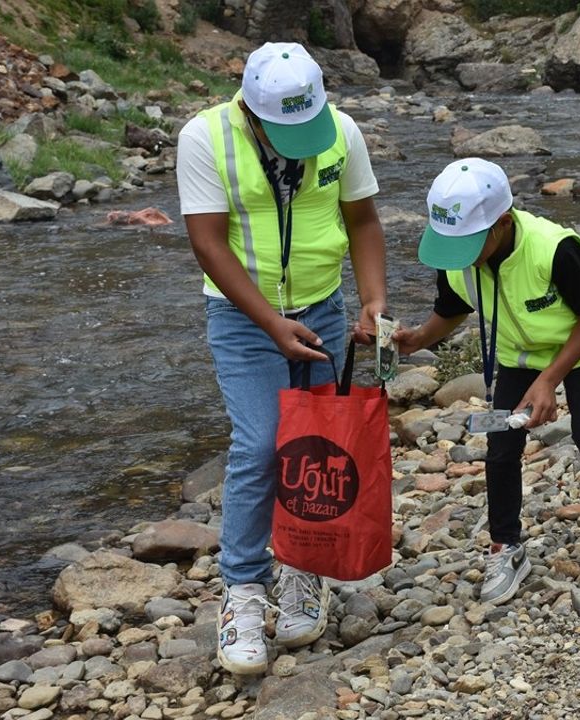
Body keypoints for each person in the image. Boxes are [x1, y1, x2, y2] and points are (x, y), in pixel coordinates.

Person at [176, 41, 386, 674]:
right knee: (262, 443)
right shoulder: (204, 136)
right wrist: (271, 324)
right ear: (251, 110)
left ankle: (303, 567)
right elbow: (208, 244)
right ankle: (241, 590)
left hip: (322, 306)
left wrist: (372, 300)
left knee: (318, 445)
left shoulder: (341, 132)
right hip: (243, 317)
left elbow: (364, 221)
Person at [392, 158, 580, 605]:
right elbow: (451, 309)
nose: (456, 252)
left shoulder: (554, 248)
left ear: (502, 223)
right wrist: (416, 339)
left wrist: (549, 381)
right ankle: (506, 546)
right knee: (502, 450)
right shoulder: (457, 253)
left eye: (467, 241)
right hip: (519, 353)